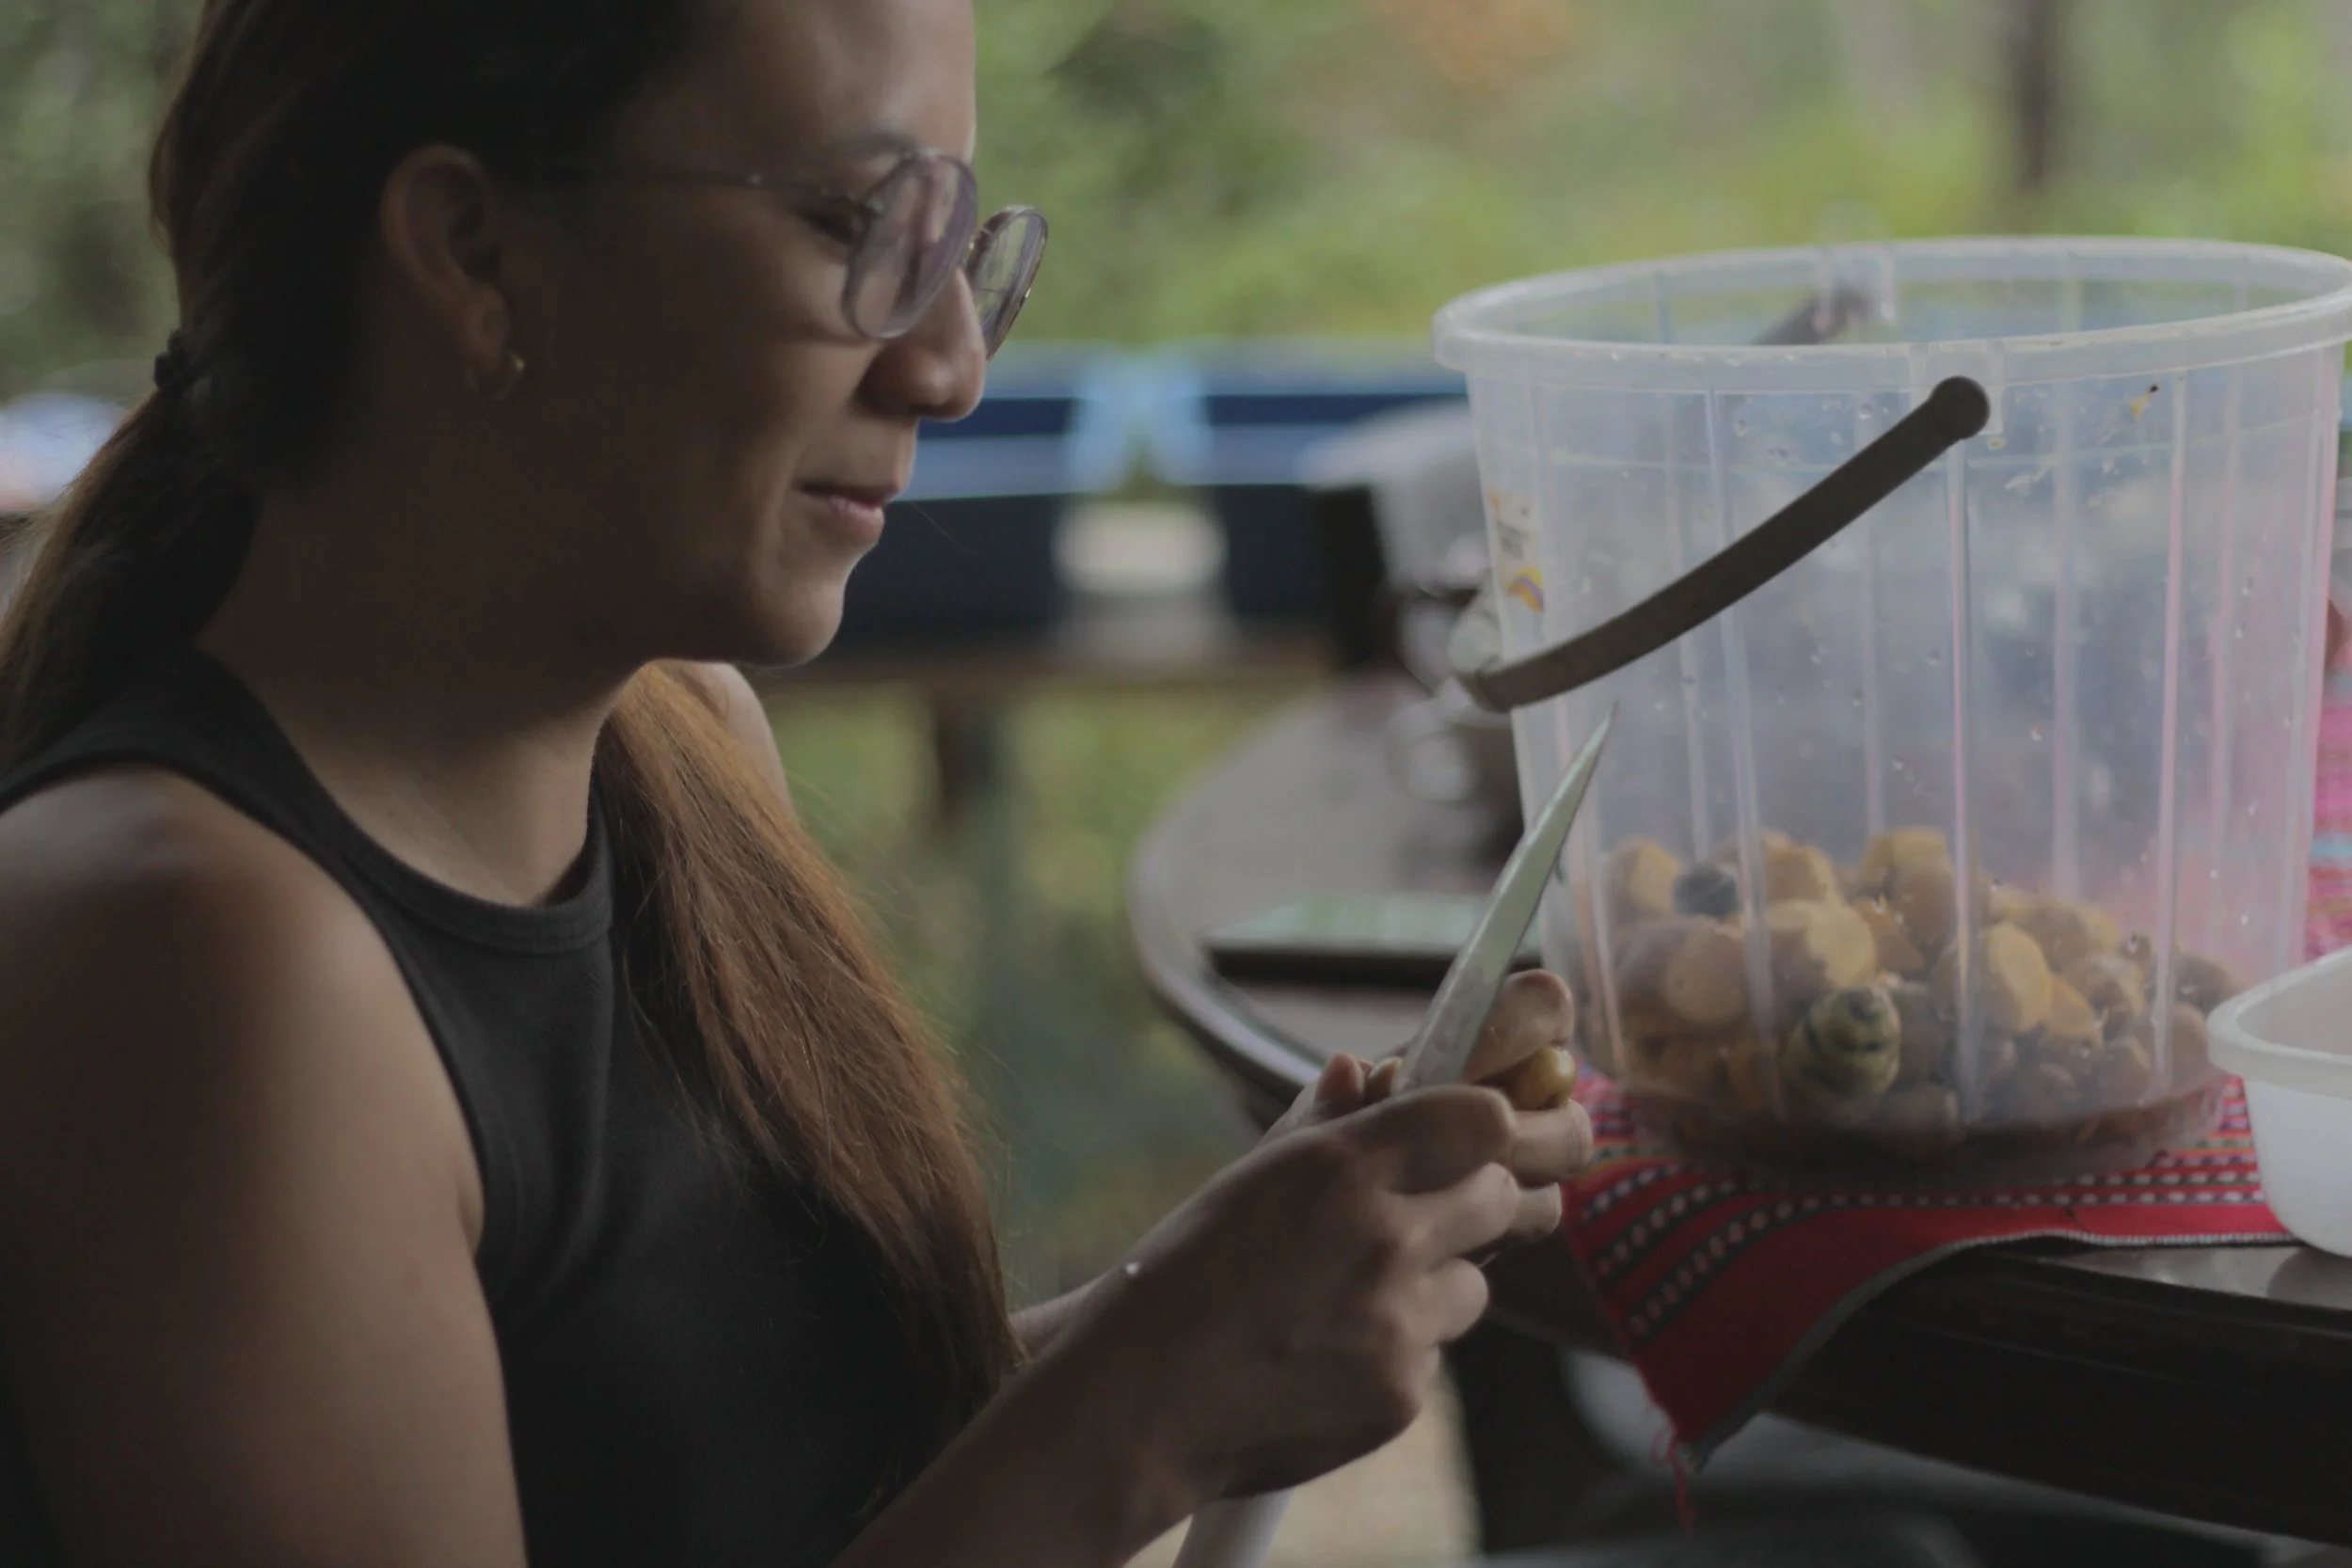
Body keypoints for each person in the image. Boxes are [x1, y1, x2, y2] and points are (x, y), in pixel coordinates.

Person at [0, 3, 1596, 1565]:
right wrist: (1144, 1412)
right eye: (857, 224)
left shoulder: (679, 747)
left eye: (957, 245)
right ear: (474, 250)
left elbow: (784, 1498)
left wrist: (1214, 1299)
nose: (951, 366)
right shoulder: (197, 962)